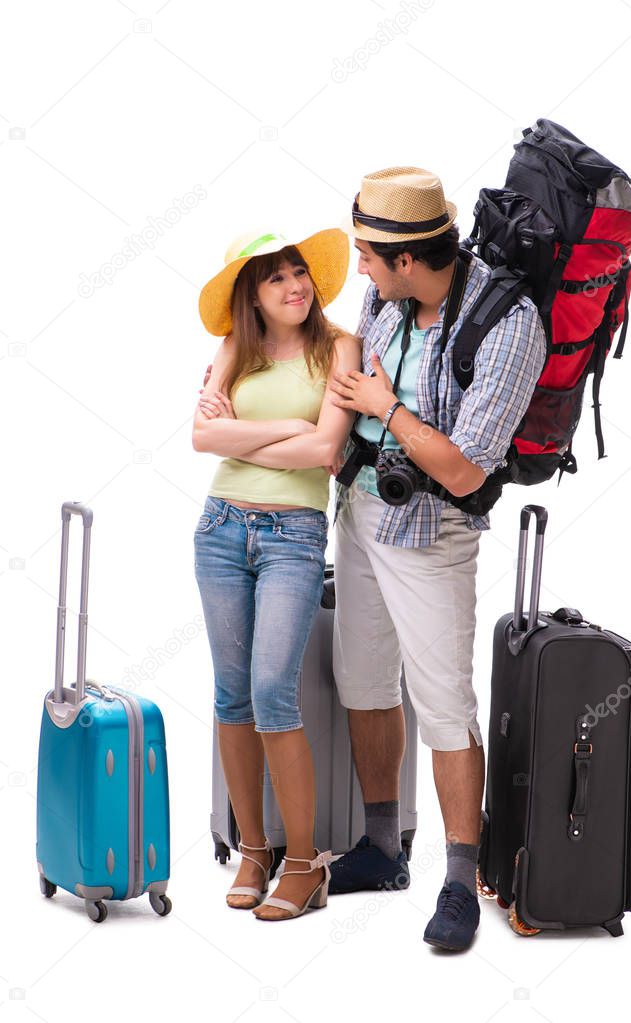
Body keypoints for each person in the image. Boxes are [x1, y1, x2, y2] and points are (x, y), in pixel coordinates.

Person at [327, 167, 546, 951]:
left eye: (367, 257)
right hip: (358, 513)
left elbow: (464, 471)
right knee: (361, 680)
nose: (360, 270)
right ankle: (383, 847)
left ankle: (459, 877)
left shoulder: (509, 322)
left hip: (429, 535)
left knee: (445, 704)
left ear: (410, 258)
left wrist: (387, 407)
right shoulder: (387, 296)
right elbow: (352, 366)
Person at [193, 229, 359, 921]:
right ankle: (252, 848)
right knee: (232, 695)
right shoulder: (235, 346)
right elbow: (203, 438)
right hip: (220, 527)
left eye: (300, 273)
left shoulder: (341, 347)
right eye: (277, 278)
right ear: (251, 296)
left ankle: (303, 860)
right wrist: (290, 421)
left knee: (271, 692)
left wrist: (269, 429)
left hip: (293, 534)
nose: (296, 286)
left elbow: (327, 446)